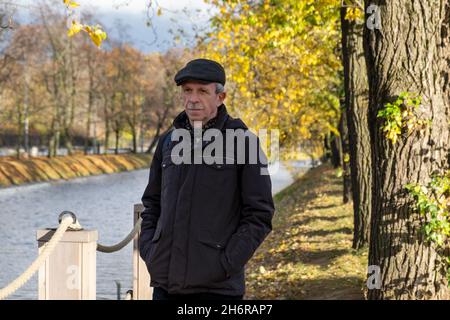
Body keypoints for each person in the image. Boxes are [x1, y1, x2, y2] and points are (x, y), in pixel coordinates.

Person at [139, 58, 275, 300]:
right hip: (165, 284)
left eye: (202, 91)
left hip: (217, 288)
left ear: (220, 97)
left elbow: (260, 215)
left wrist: (226, 263)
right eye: (187, 91)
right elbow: (152, 204)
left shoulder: (246, 143)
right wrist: (150, 251)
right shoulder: (168, 142)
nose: (193, 98)